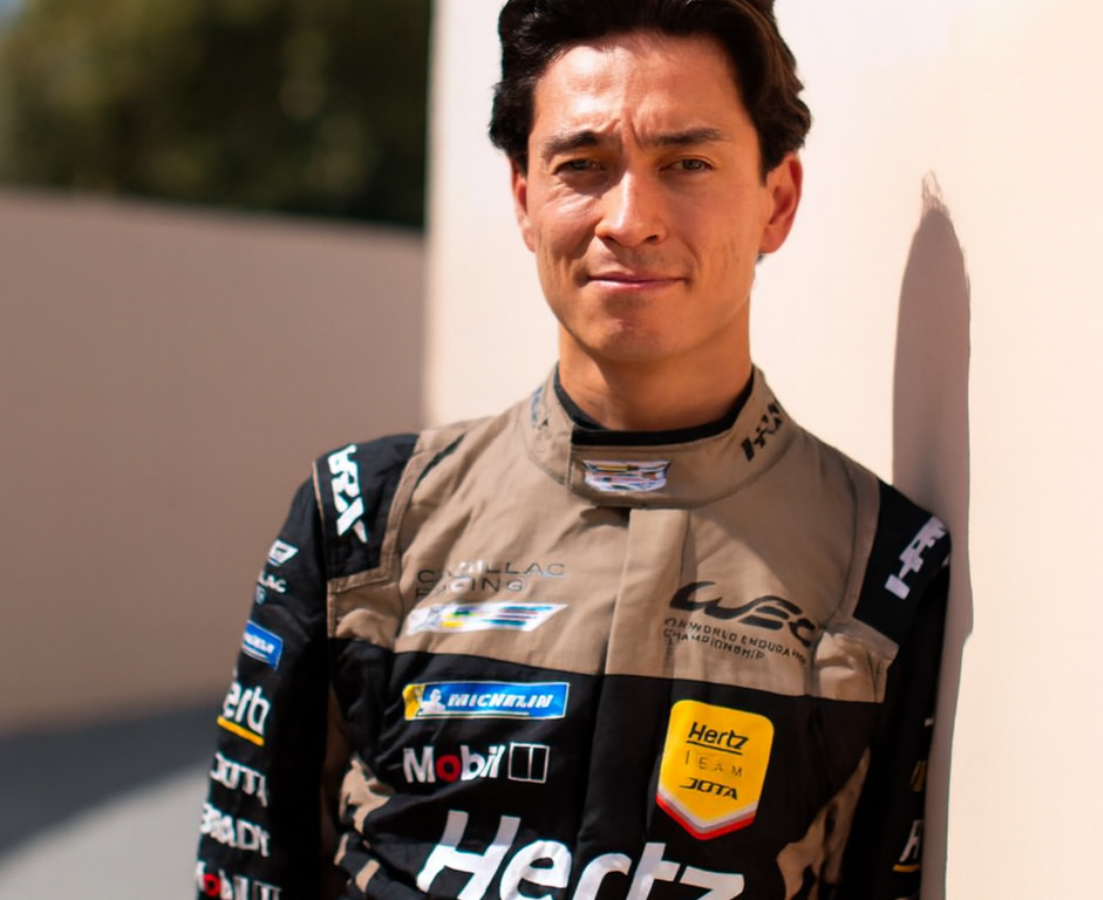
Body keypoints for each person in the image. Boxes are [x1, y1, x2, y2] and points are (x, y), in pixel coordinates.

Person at [195, 1, 951, 898]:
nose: (629, 220)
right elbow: (246, 873)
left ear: (776, 202)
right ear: (525, 198)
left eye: (687, 163)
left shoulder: (884, 567)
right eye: (583, 166)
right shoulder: (363, 520)